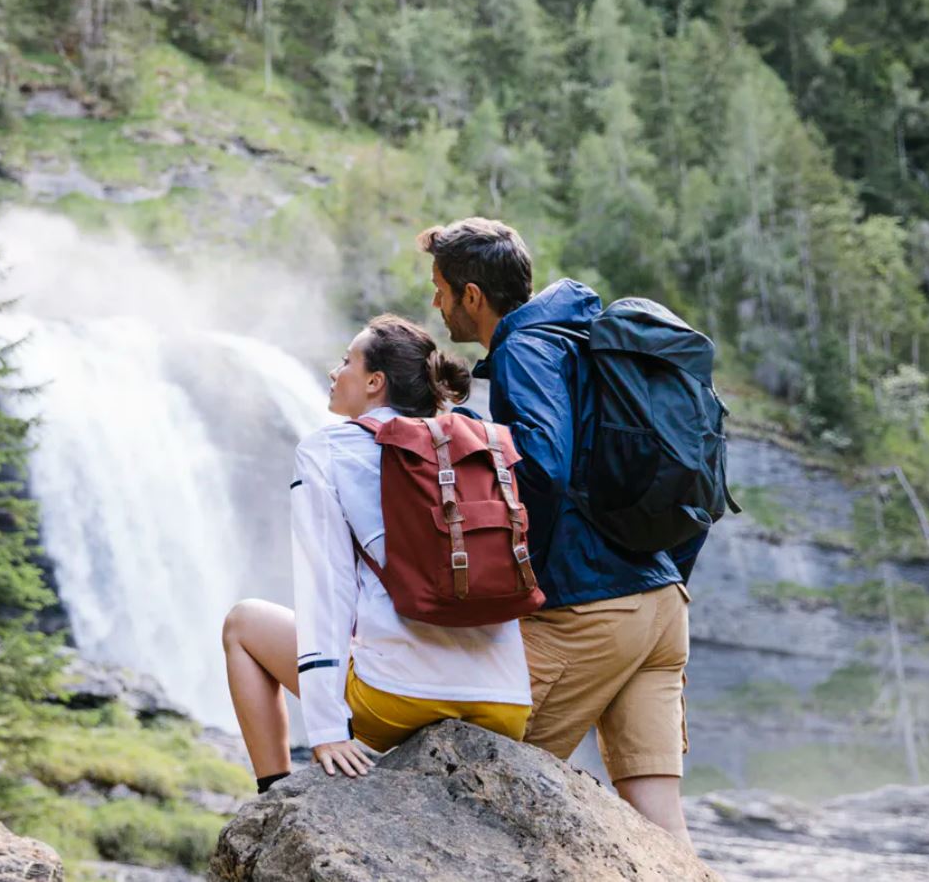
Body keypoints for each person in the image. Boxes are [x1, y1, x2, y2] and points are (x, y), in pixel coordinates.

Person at [416, 217, 705, 844]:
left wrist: (518, 586)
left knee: (477, 782)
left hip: (590, 607)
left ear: (472, 295)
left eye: (440, 289)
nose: (435, 304)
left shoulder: (524, 350)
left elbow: (542, 469)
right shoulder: (576, 336)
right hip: (659, 605)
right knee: (661, 824)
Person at [220, 315, 531, 793]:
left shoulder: (329, 449)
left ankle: (272, 792)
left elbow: (328, 585)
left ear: (374, 382)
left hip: (397, 698)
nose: (334, 371)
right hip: (505, 702)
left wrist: (327, 729)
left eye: (346, 361)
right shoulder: (475, 442)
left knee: (243, 622)